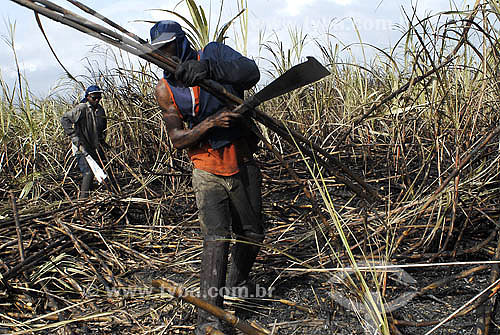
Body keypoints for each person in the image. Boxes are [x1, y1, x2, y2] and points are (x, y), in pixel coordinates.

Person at [152, 20, 264, 334]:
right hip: (205, 169)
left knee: (253, 233)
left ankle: (237, 286)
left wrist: (210, 69)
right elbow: (177, 138)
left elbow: (250, 73)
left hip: (241, 161)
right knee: (216, 239)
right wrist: (210, 123)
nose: (165, 55)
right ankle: (209, 320)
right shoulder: (165, 88)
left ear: (182, 42)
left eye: (169, 47)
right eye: (158, 51)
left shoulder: (212, 53)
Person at [61, 85, 108, 199]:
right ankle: (82, 201)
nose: (97, 100)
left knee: (105, 167)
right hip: (81, 147)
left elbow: (101, 128)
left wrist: (102, 141)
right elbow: (65, 119)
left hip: (94, 147)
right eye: (94, 97)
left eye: (99, 97)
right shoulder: (82, 108)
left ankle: (100, 194)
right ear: (88, 97)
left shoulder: (100, 110)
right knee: (88, 173)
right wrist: (74, 136)